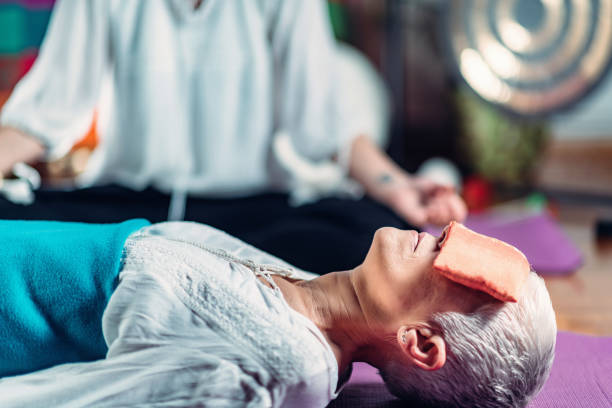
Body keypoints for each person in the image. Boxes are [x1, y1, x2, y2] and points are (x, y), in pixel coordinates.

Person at [0, 0, 466, 274]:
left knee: (371, 233)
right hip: (129, 210)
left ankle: (146, 273)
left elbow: (323, 129)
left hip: (250, 213)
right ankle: (223, 277)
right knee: (11, 221)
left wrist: (398, 187)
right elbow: (43, 114)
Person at [0, 220, 556, 407]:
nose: (442, 238)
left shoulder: (280, 362)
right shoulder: (311, 289)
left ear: (421, 343)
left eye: (449, 261)